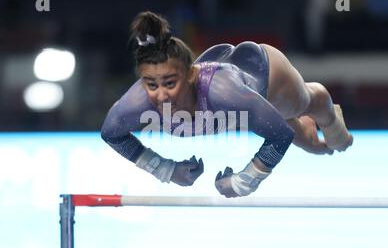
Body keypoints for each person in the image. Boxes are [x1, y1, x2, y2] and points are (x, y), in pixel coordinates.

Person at [101, 11, 353, 198]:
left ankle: (330, 120)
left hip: (264, 76)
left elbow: (281, 136)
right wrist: (165, 169)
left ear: (190, 75)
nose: (161, 96)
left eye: (169, 83)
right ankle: (308, 132)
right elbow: (111, 134)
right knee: (310, 144)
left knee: (308, 110)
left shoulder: (225, 94)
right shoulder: (138, 102)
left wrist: (243, 182)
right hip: (241, 97)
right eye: (151, 85)